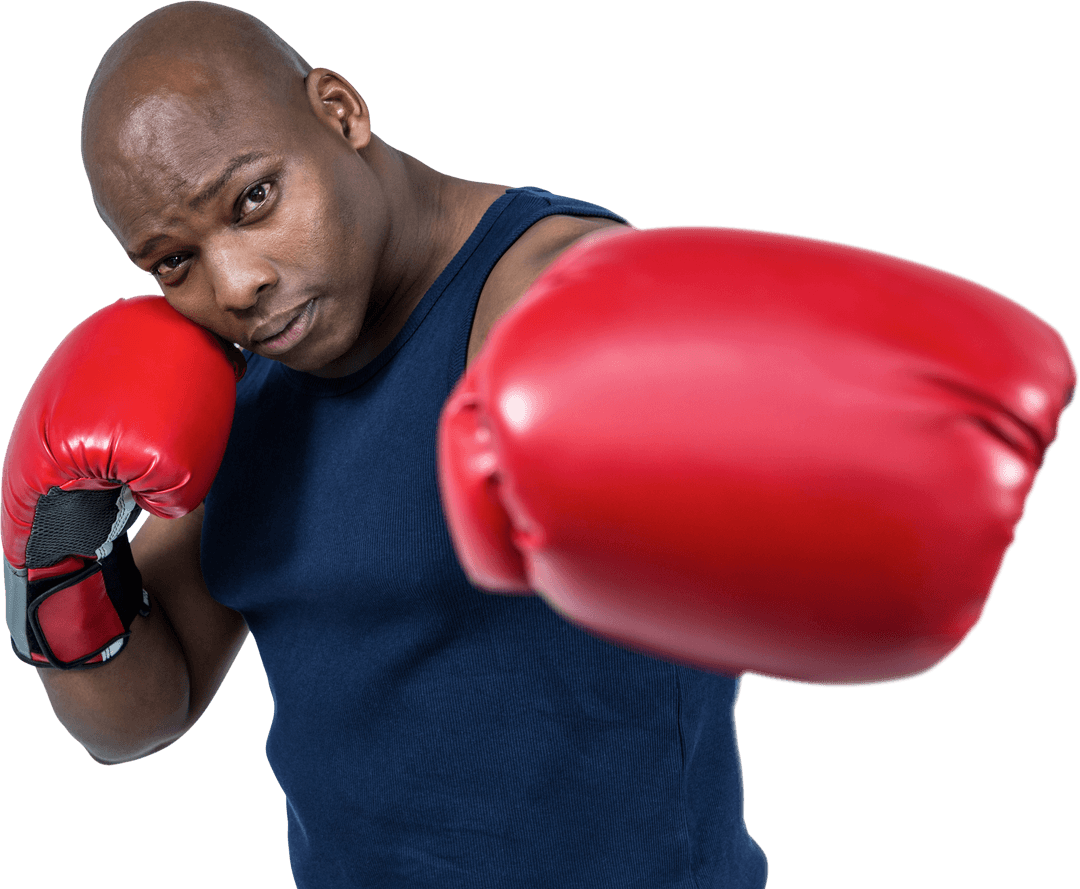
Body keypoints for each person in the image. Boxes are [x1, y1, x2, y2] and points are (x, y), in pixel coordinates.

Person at [3, 2, 1075, 888]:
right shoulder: (240, 384)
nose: (237, 282)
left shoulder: (545, 288)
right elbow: (134, 717)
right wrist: (63, 546)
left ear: (339, 110)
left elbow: (593, 343)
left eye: (254, 199)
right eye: (173, 261)